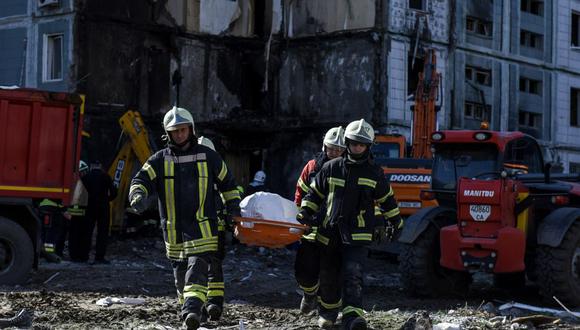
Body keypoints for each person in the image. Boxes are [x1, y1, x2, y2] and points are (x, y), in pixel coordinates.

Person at [129, 107, 241, 330]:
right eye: (175, 131)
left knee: (196, 270)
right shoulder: (159, 160)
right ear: (168, 134)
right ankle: (194, 313)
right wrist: (138, 196)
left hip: (203, 228)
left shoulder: (209, 156)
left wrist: (233, 211)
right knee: (182, 279)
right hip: (173, 232)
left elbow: (228, 184)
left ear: (191, 129)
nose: (179, 135)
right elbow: (140, 180)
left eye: (183, 130)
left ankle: (191, 312)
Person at [297, 119, 402, 330]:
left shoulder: (374, 173)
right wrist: (305, 211)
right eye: (354, 144)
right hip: (329, 232)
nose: (357, 148)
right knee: (328, 274)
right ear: (348, 143)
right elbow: (314, 193)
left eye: (361, 145)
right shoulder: (330, 167)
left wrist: (396, 223)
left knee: (353, 274)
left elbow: (387, 200)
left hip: (359, 234)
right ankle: (327, 313)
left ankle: (353, 317)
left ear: (368, 147)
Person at [294, 126, 346, 315]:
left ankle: (328, 312)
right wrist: (301, 218)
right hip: (311, 228)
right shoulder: (312, 167)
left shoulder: (348, 170)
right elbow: (300, 193)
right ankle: (309, 295)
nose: (334, 153)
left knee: (331, 273)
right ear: (324, 147)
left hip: (335, 232)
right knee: (304, 270)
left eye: (339, 150)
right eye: (331, 148)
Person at [197, 136, 227, 321]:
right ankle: (212, 303)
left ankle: (206, 305)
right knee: (213, 266)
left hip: (205, 228)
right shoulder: (218, 169)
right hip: (215, 228)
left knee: (199, 266)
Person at [82, 160, 117, 264]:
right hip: (103, 207)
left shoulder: (86, 177)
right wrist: (107, 199)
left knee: (87, 232)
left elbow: (80, 192)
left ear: (91, 166)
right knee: (102, 232)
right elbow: (114, 192)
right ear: (100, 166)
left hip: (89, 207)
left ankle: (84, 256)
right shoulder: (106, 177)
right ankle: (99, 257)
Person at [68, 160, 90, 262]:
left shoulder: (77, 181)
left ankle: (76, 256)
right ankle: (79, 256)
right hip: (78, 214)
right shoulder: (79, 182)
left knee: (76, 236)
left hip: (75, 214)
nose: (84, 173)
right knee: (79, 236)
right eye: (83, 172)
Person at [38, 198, 70, 263]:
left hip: (42, 208)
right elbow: (61, 200)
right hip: (54, 210)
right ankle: (49, 255)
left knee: (43, 233)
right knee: (51, 235)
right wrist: (65, 209)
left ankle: (42, 254)